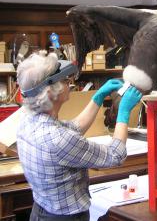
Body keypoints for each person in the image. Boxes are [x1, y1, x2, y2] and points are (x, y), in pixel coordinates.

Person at [16, 51, 142, 220]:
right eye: (65, 81)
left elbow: (73, 128)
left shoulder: (28, 120)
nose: (71, 83)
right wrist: (124, 110)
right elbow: (115, 155)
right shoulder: (58, 139)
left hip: (40, 212)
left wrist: (98, 97)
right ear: (51, 92)